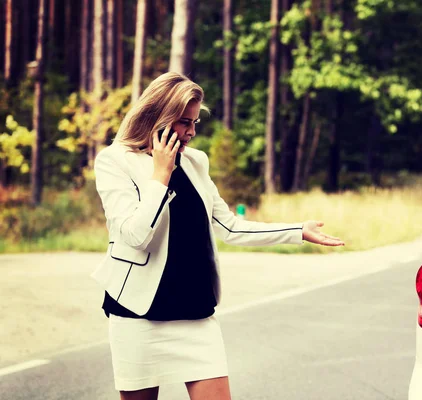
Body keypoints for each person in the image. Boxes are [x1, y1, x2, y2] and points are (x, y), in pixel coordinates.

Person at [91, 71, 345, 400]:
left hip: (195, 313)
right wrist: (161, 174)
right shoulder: (114, 162)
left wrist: (298, 230)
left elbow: (230, 226)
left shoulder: (196, 162)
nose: (192, 133)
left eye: (195, 123)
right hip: (137, 315)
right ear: (159, 116)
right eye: (185, 122)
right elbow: (135, 235)